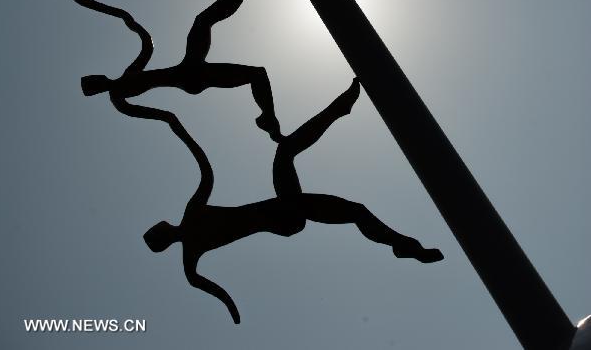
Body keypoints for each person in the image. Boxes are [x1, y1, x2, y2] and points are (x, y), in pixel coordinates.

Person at [139, 79, 444, 323]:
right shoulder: (191, 220)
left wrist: (232, 311)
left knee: (346, 203)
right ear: (163, 233)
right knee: (289, 156)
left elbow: (202, 283)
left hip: (284, 216)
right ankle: (342, 108)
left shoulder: (190, 252)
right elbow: (206, 171)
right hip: (282, 214)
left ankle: (403, 245)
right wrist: (180, 131)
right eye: (157, 229)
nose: (159, 223)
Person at [82, 0, 283, 141]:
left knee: (209, 26)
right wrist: (185, 138)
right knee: (204, 22)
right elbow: (165, 116)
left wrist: (132, 24)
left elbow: (148, 48)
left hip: (189, 68)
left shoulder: (128, 74)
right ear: (96, 89)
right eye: (93, 83)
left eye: (92, 77)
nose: (96, 78)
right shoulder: (118, 98)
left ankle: (269, 120)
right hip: (189, 77)